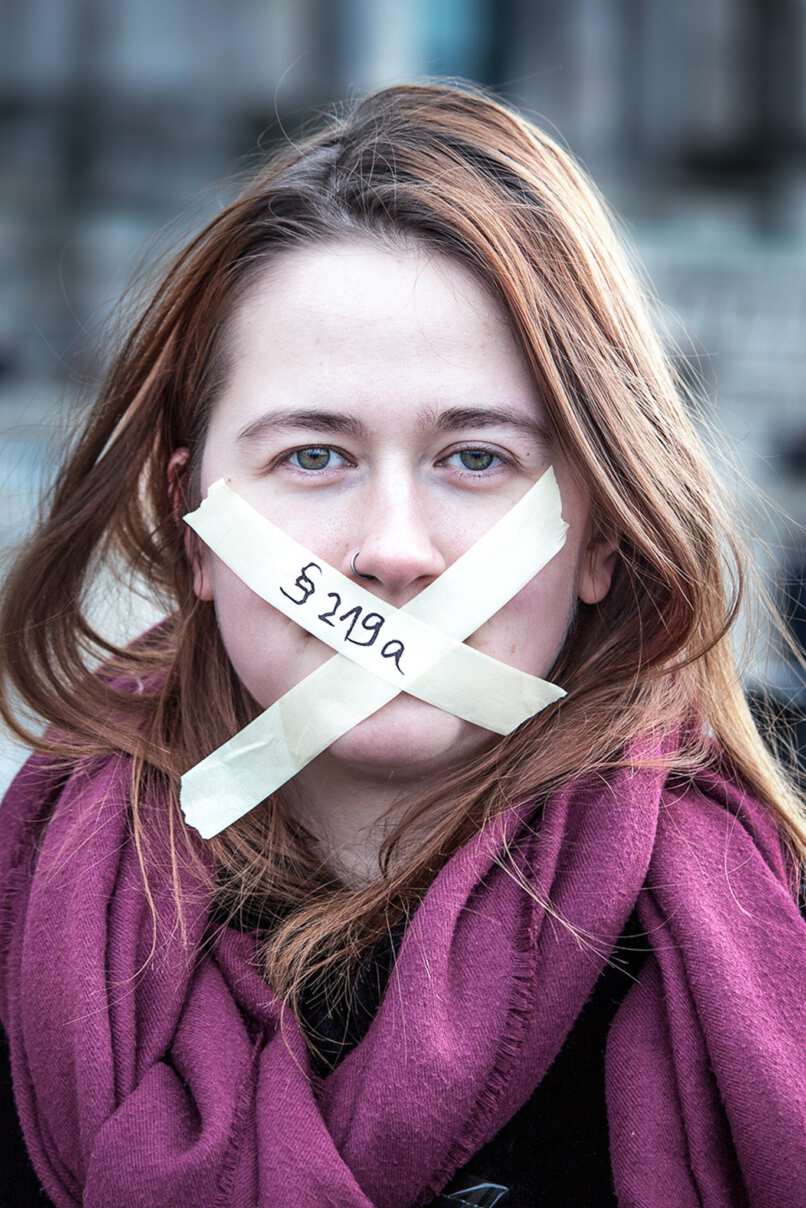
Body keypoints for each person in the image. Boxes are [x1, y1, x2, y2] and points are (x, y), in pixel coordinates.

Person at [0, 79, 804, 1208]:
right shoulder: (22, 920)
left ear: (597, 536)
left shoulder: (771, 923)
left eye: (475, 457)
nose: (392, 551)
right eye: (314, 457)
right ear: (196, 533)